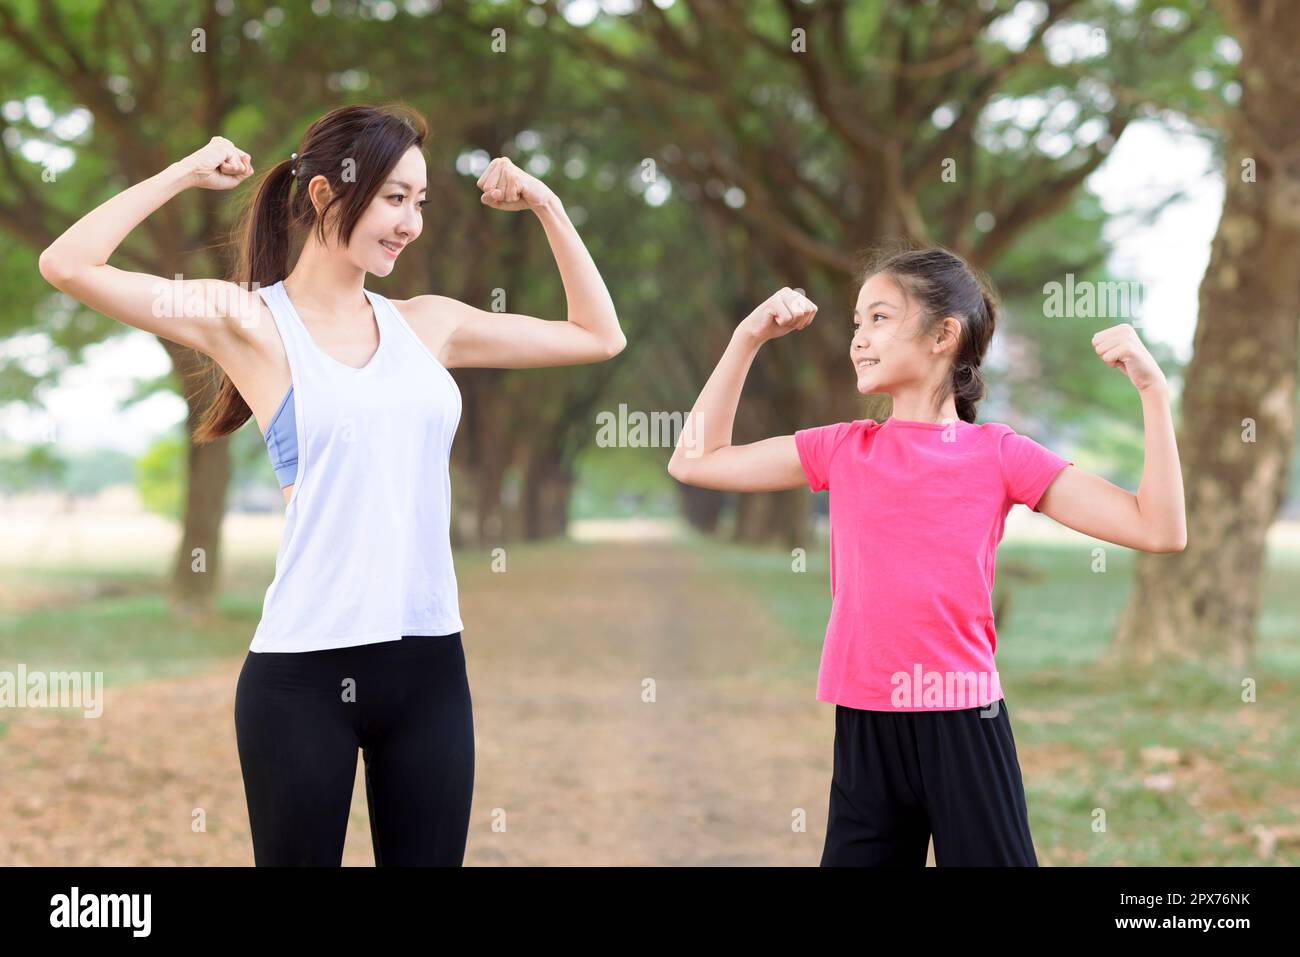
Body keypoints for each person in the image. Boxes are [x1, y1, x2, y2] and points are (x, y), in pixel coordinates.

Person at [37, 102, 626, 866]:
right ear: (324, 195)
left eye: (420, 202)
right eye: (394, 198)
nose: (411, 222)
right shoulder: (247, 321)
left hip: (429, 666)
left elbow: (597, 335)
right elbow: (69, 264)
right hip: (302, 675)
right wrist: (185, 172)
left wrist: (546, 205)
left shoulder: (429, 325)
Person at [666, 245, 1185, 866]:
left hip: (963, 721)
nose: (858, 338)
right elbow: (694, 460)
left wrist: (1153, 393)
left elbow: (1157, 528)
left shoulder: (999, 454)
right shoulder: (843, 447)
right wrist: (748, 337)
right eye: (857, 322)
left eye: (879, 318)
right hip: (866, 721)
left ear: (944, 335)